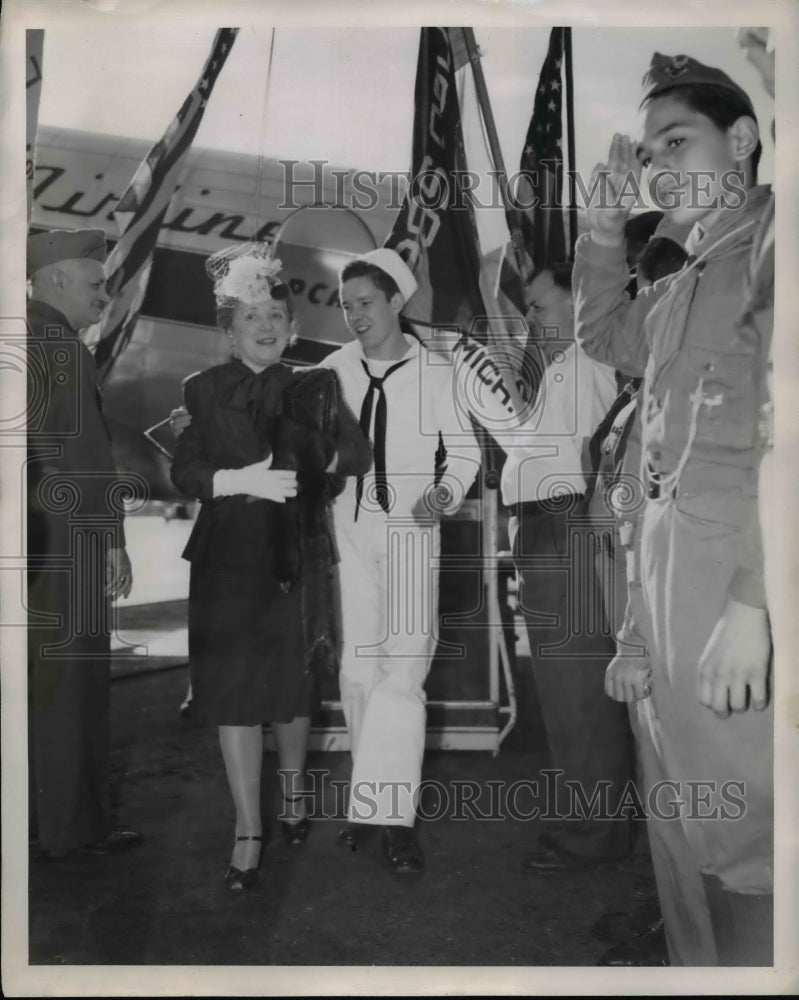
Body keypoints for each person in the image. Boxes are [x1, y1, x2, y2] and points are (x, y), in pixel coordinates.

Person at [573, 53, 774, 966]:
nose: (657, 164)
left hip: (733, 565)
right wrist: (602, 230)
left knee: (744, 821)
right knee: (674, 806)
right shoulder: (685, 269)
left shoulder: (772, 247)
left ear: (742, 139)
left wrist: (752, 600)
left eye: (675, 140)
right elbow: (605, 335)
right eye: (647, 150)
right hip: (656, 569)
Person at [170, 244, 370, 891]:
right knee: (231, 691)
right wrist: (231, 479)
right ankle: (247, 831)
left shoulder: (313, 386)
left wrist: (314, 467)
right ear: (230, 332)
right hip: (225, 558)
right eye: (251, 316)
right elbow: (184, 470)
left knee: (290, 684)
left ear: (291, 329)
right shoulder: (199, 390)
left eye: (275, 316)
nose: (265, 324)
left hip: (294, 555)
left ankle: (292, 795)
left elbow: (357, 454)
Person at [321, 248, 480, 876]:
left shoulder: (437, 372)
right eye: (345, 306)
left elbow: (463, 455)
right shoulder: (331, 371)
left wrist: (442, 494)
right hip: (349, 528)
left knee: (403, 673)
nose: (356, 315)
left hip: (413, 528)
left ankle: (395, 818)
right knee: (358, 672)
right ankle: (369, 802)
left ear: (395, 302)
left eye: (365, 302)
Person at [500, 263, 634, 874]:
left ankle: (596, 833)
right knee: (562, 685)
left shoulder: (587, 358)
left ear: (581, 306)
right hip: (541, 521)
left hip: (565, 519)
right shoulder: (554, 366)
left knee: (579, 687)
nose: (529, 319)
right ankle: (593, 821)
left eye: (540, 307)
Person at [27, 228, 140, 859]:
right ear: (58, 281)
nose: (106, 294)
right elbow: (89, 458)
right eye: (96, 283)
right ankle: (74, 829)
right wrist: (111, 540)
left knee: (27, 686)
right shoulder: (63, 348)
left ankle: (32, 820)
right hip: (68, 544)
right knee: (71, 687)